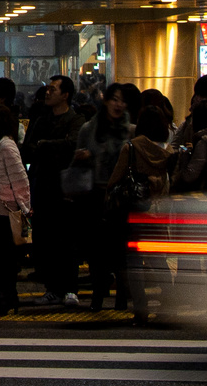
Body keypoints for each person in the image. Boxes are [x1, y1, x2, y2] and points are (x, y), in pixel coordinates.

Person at [107, 106, 173, 324]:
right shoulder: (168, 151)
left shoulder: (132, 148)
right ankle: (167, 305)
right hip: (159, 211)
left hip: (136, 211)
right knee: (159, 260)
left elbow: (116, 178)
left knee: (134, 262)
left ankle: (141, 309)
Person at [23, 75, 84, 307]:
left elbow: (72, 145)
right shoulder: (40, 120)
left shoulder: (75, 119)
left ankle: (70, 288)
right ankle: (52, 287)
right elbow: (28, 149)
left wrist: (44, 146)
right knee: (45, 240)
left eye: (52, 89)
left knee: (66, 239)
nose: (47, 93)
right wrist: (49, 146)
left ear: (65, 94)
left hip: (65, 188)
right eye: (47, 89)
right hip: (42, 185)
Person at [72, 83, 134, 310]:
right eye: (115, 99)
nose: (119, 104)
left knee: (119, 249)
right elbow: (75, 160)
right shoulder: (89, 129)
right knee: (96, 249)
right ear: (106, 101)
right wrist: (83, 157)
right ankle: (98, 294)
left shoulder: (130, 130)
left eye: (123, 100)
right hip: (95, 195)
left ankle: (121, 297)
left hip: (120, 196)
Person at [0, 104, 30, 317]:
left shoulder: (6, 147)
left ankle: (4, 298)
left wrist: (25, 209)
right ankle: (6, 296)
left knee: (3, 257)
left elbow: (20, 178)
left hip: (5, 208)